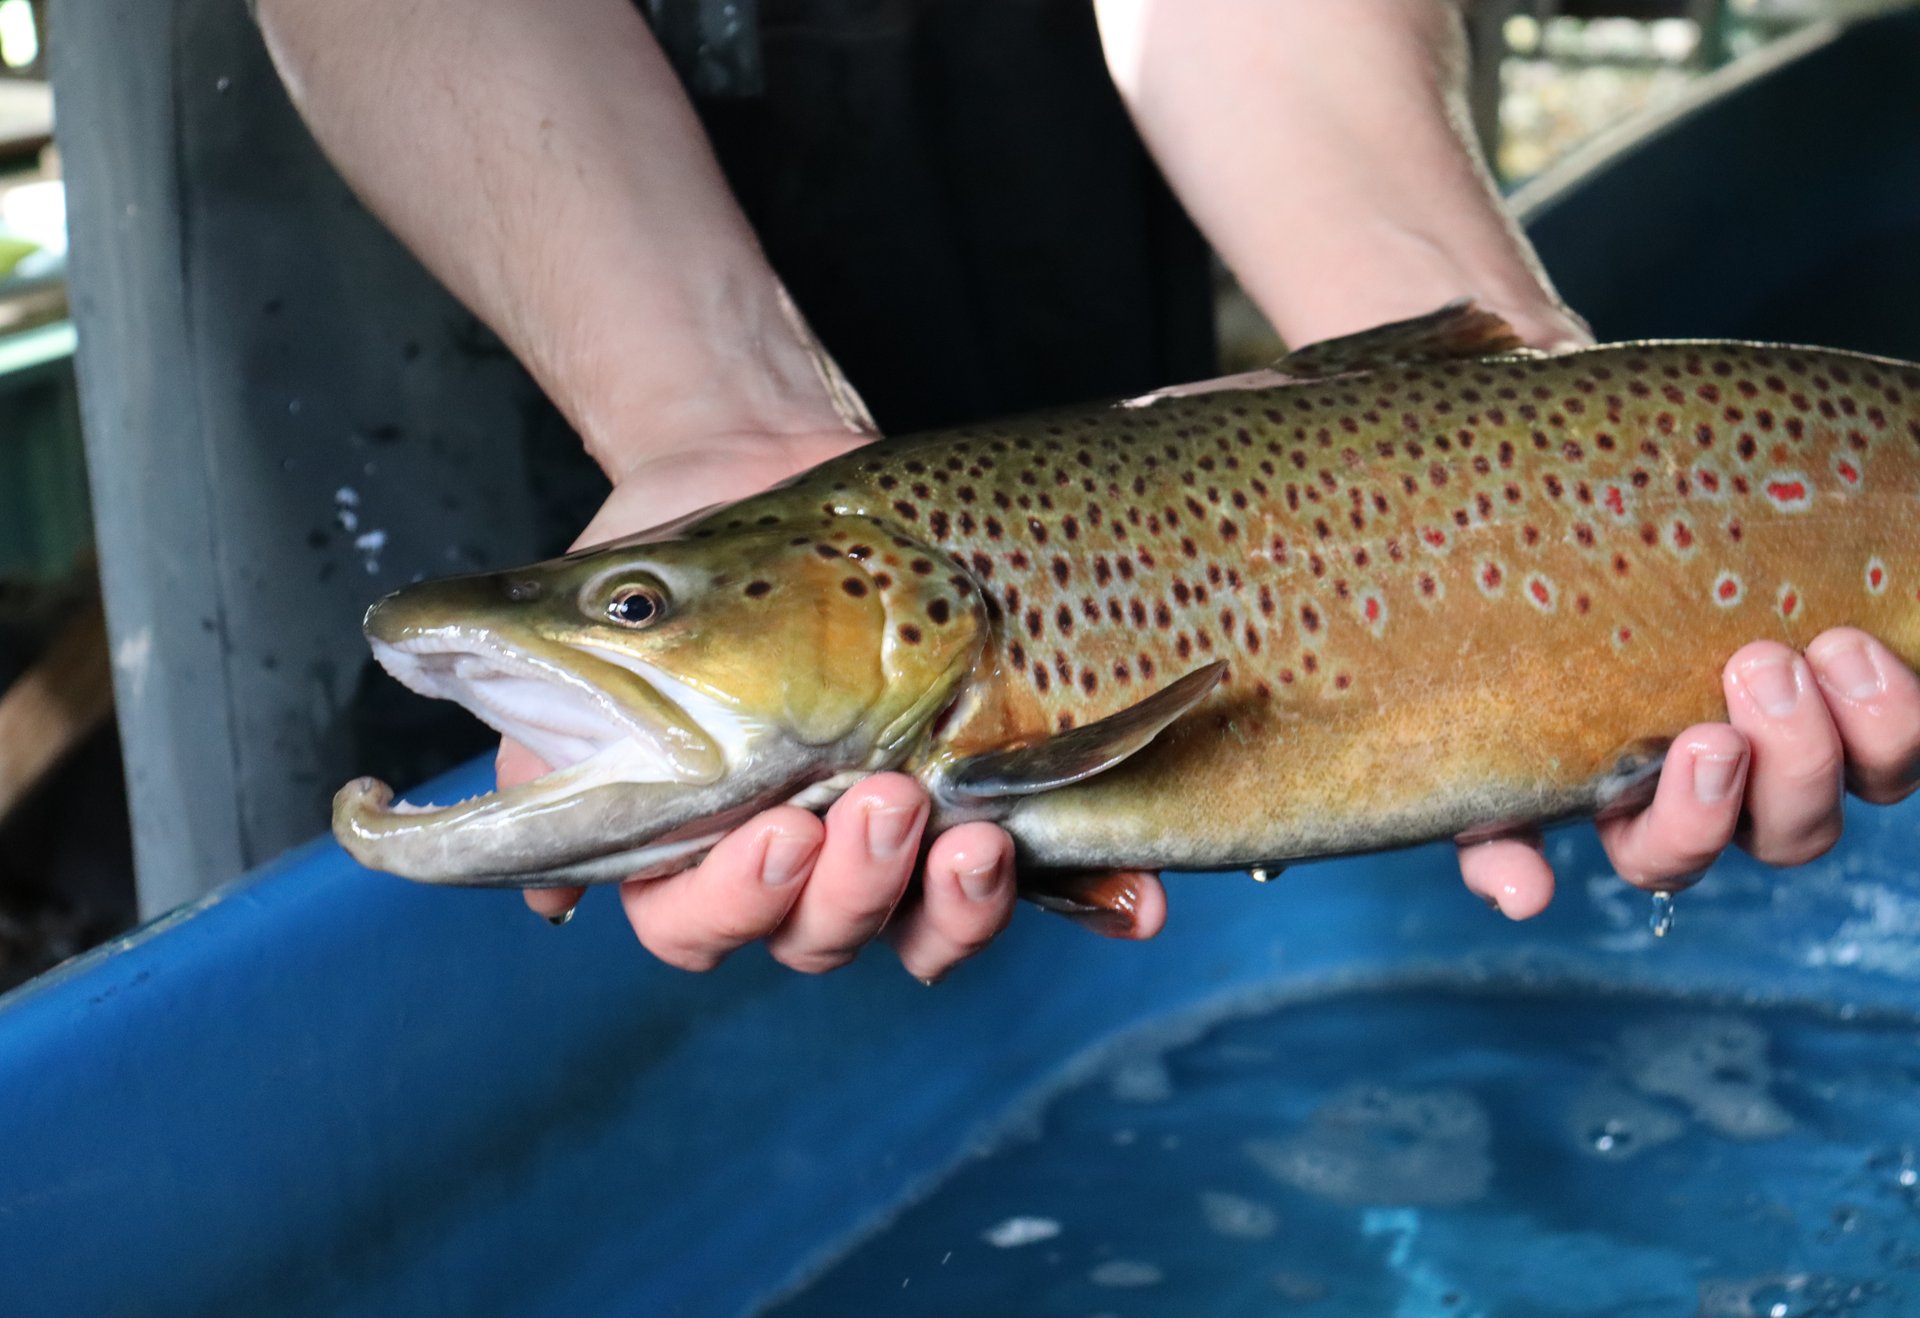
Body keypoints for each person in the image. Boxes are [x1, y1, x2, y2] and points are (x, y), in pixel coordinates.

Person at [256, 0, 1920, 982]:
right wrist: (693, 408)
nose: (630, 627)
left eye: (640, 615)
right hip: (492, 345)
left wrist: (1471, 341)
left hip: (1088, 331)